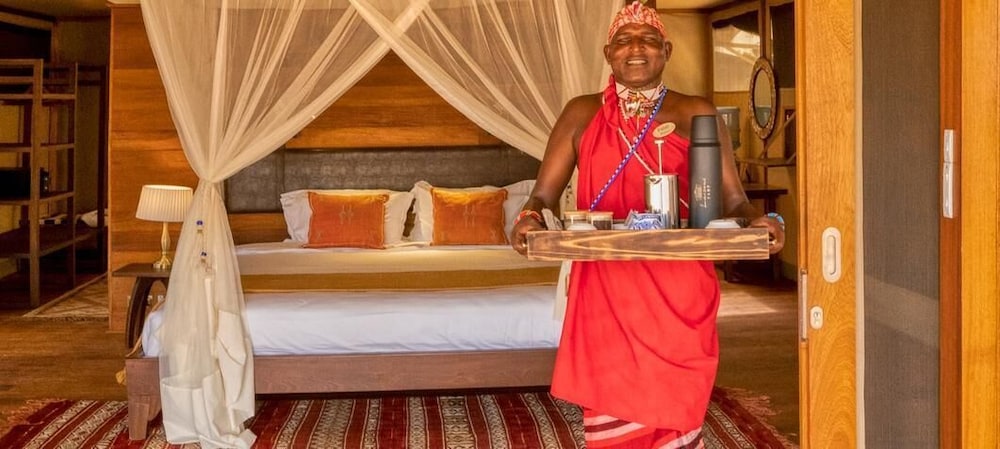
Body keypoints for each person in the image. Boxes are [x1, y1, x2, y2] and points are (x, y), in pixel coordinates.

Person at [509, 2, 785, 448]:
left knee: (677, 407)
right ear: (608, 54)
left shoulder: (697, 111)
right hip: (606, 290)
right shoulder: (581, 113)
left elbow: (735, 200)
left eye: (648, 39)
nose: (635, 48)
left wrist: (764, 220)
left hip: (679, 288)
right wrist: (527, 219)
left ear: (666, 51)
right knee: (614, 409)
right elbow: (542, 195)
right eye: (623, 40)